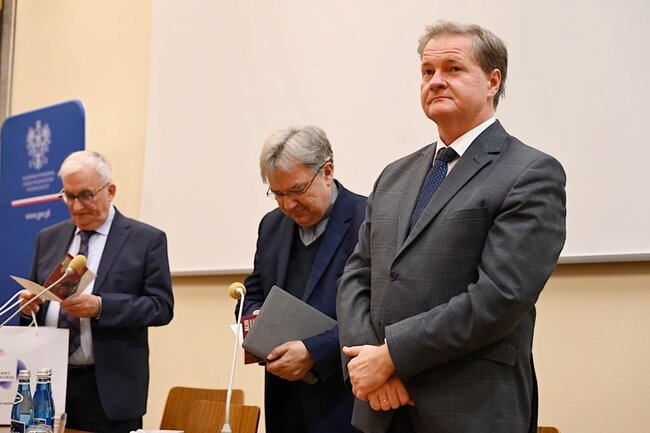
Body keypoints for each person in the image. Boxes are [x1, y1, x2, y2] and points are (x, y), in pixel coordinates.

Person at [336, 20, 566, 433]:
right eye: (427, 71)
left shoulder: (530, 172)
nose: (436, 81)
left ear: (493, 81)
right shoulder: (394, 175)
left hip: (469, 408)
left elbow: (498, 299)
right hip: (380, 407)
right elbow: (356, 275)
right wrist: (367, 359)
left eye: (453, 69)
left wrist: (391, 355)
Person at [19, 150, 174, 433]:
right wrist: (30, 308)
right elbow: (37, 305)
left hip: (109, 390)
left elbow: (161, 307)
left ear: (110, 191)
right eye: (69, 196)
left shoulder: (145, 240)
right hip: (49, 386)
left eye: (86, 195)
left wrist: (102, 307)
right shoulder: (48, 238)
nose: (77, 207)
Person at [240, 126, 365, 433]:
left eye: (296, 191)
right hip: (284, 401)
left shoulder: (369, 218)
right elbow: (253, 291)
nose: (288, 205)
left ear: (327, 171)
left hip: (345, 401)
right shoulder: (271, 226)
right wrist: (255, 319)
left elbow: (378, 312)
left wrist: (314, 351)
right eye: (278, 194)